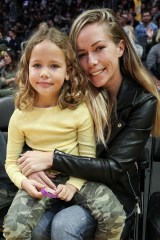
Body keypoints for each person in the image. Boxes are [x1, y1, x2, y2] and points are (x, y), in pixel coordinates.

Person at [16, 8, 160, 240]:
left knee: (65, 225)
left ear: (120, 48)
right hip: (63, 185)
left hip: (114, 192)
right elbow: (34, 132)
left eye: (99, 48)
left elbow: (114, 168)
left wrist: (52, 158)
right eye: (81, 54)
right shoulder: (71, 91)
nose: (91, 62)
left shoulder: (143, 101)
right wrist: (32, 168)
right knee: (39, 225)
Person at [3, 23, 98, 240]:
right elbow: (10, 163)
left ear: (68, 72)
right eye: (37, 65)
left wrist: (73, 185)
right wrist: (25, 182)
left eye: (54, 66)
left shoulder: (79, 110)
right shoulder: (19, 114)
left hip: (77, 179)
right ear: (26, 70)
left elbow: (88, 157)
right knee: (14, 229)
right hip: (40, 184)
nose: (44, 73)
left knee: (111, 216)